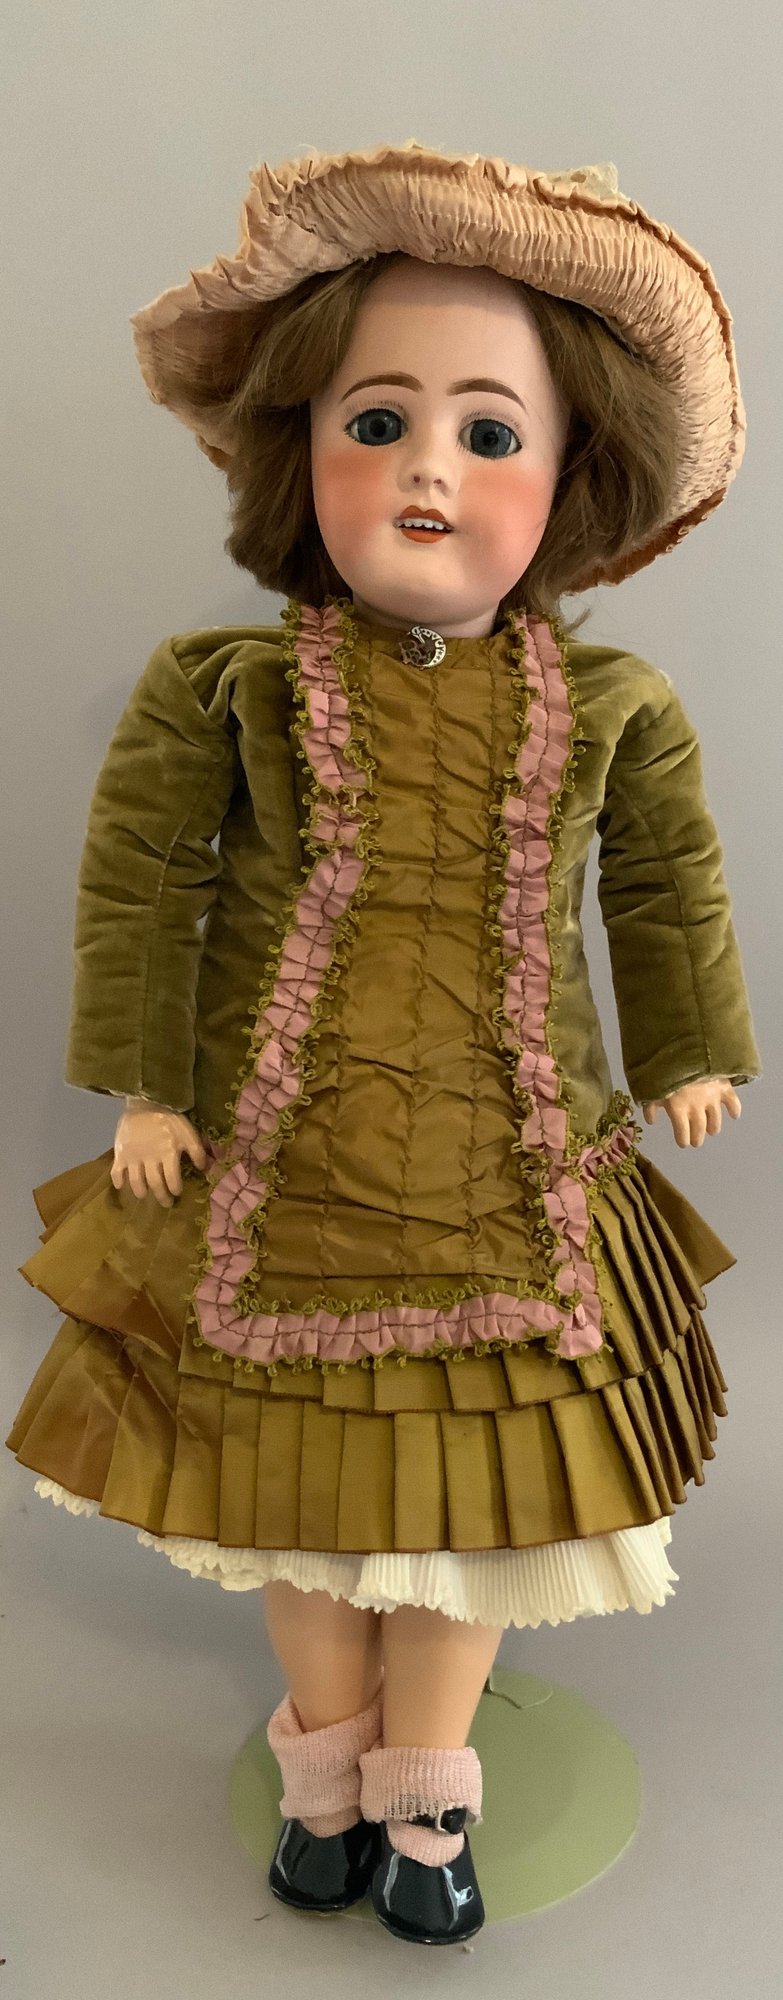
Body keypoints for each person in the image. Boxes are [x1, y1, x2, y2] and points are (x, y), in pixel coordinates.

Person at [5, 141, 762, 1946]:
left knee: (474, 1514)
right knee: (297, 1504)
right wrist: (150, 1084)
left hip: (518, 1186)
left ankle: (430, 1800)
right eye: (378, 421)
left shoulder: (616, 708)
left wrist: (692, 1052)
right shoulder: (230, 689)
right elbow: (146, 885)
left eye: (491, 433)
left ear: (571, 479)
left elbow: (666, 886)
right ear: (304, 456)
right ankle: (323, 1776)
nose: (431, 466)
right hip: (282, 1184)